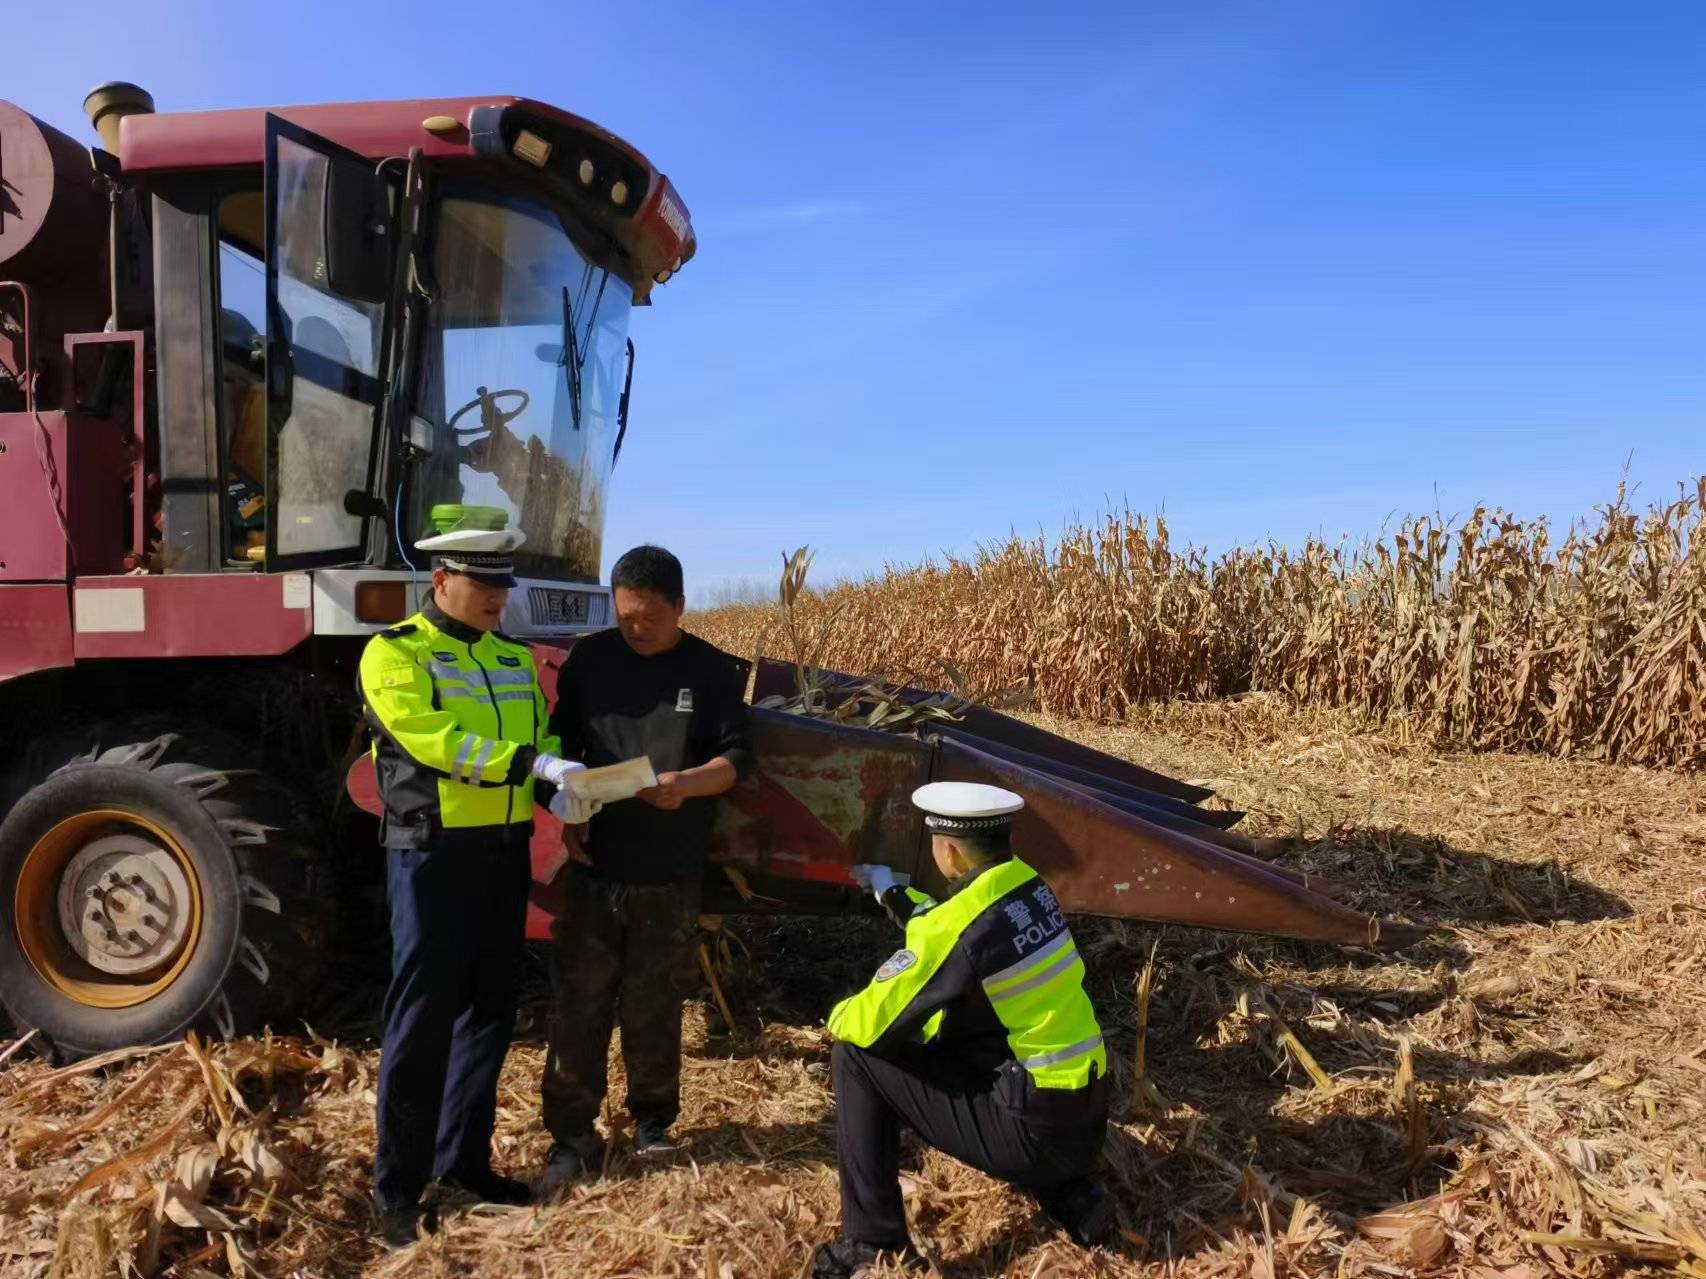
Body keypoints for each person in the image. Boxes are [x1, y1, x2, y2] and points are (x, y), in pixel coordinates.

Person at [358, 515, 594, 1248]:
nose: (499, 596)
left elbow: (540, 736)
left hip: (502, 851)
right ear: (441, 580)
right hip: (431, 855)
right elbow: (429, 737)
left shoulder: (512, 659)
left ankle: (463, 1163)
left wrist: (565, 783)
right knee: (421, 1019)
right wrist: (530, 766)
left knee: (490, 1011)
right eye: (484, 583)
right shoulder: (395, 654)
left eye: (503, 584)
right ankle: (397, 1190)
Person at [811, 782, 1115, 1277]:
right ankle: (1074, 1196)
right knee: (978, 1022)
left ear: (947, 849)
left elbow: (872, 1021)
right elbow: (957, 928)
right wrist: (890, 890)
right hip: (1086, 1117)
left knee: (856, 1055)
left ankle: (871, 1241)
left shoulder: (958, 929)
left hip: (1032, 1135)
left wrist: (835, 1014)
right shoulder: (1028, 887)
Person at [537, 544, 754, 1190]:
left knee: (655, 1003)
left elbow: (738, 758)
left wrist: (688, 782)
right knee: (579, 1003)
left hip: (669, 869)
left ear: (680, 608)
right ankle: (571, 1134)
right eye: (626, 615)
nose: (635, 629)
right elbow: (559, 744)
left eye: (649, 618)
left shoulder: (711, 670)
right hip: (596, 863)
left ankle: (653, 1122)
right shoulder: (590, 660)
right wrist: (565, 809)